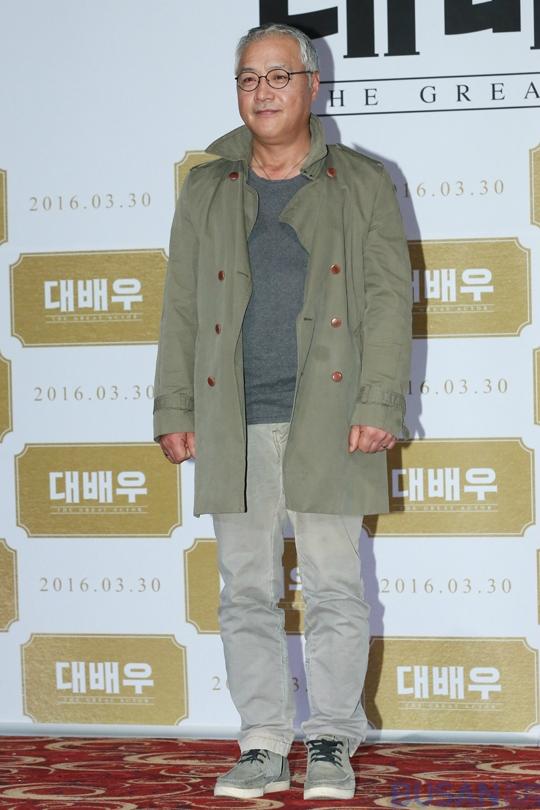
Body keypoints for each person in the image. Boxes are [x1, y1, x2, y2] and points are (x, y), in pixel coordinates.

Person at [153, 22, 412, 802]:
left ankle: (331, 736)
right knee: (245, 590)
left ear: (311, 85)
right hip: (232, 416)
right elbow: (181, 306)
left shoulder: (361, 182)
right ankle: (263, 741)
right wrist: (174, 405)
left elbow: (387, 301)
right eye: (248, 78)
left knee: (334, 586)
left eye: (277, 76)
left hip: (330, 417)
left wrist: (379, 399)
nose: (261, 92)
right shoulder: (207, 186)